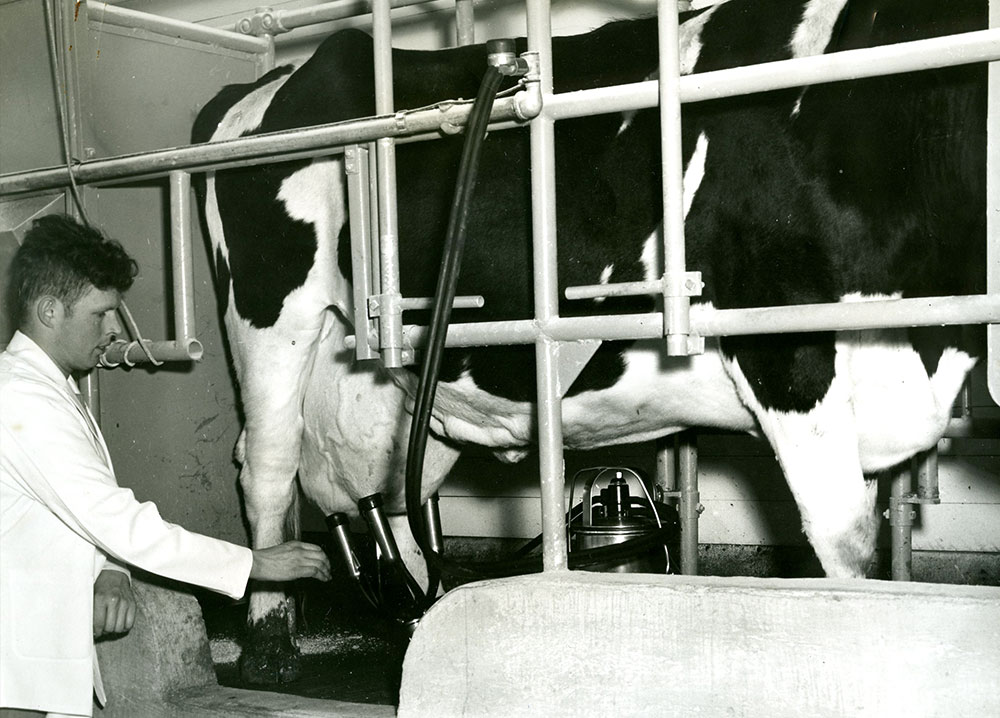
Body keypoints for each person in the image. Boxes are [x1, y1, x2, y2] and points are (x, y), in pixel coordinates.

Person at [0, 214, 332, 718]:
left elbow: (66, 514)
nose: (115, 330)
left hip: (30, 669)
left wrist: (109, 568)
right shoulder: (22, 397)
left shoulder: (47, 386)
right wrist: (257, 563)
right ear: (50, 311)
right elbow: (117, 519)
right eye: (102, 313)